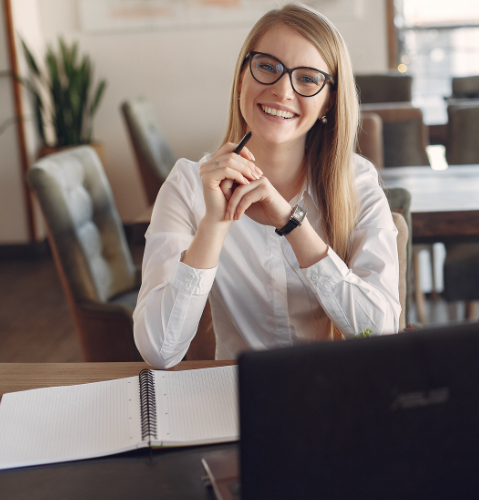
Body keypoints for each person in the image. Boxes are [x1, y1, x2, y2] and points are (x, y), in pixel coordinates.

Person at [133, 3, 400, 369]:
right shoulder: (188, 185)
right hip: (236, 400)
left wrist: (292, 224)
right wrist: (214, 223)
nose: (282, 90)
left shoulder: (358, 183)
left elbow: (380, 335)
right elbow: (159, 351)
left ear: (329, 102)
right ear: (242, 75)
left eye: (307, 78)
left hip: (336, 394)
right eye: (267, 67)